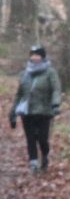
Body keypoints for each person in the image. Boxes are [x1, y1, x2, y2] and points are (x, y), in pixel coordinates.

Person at [9, 44, 61, 174]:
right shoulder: (25, 73)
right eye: (33, 55)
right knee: (30, 138)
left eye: (37, 55)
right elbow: (19, 94)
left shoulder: (50, 72)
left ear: (42, 57)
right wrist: (13, 113)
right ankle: (33, 163)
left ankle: (44, 156)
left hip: (44, 112)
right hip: (27, 112)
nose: (35, 58)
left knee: (43, 139)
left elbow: (56, 89)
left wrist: (55, 104)